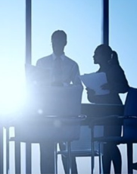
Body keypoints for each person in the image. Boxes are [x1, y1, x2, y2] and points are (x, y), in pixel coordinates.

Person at [31, 30, 81, 174]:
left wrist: (63, 85)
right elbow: (35, 86)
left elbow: (78, 87)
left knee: (67, 152)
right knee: (46, 151)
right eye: (54, 41)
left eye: (59, 41)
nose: (56, 44)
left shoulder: (72, 65)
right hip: (46, 111)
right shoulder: (41, 62)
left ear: (65, 43)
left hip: (65, 113)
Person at [85, 44, 129, 174]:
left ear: (103, 56)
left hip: (114, 111)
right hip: (101, 112)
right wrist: (90, 94)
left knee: (111, 143)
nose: (93, 56)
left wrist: (112, 86)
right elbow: (94, 99)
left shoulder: (115, 69)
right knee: (106, 145)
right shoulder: (97, 75)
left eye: (96, 54)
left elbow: (125, 87)